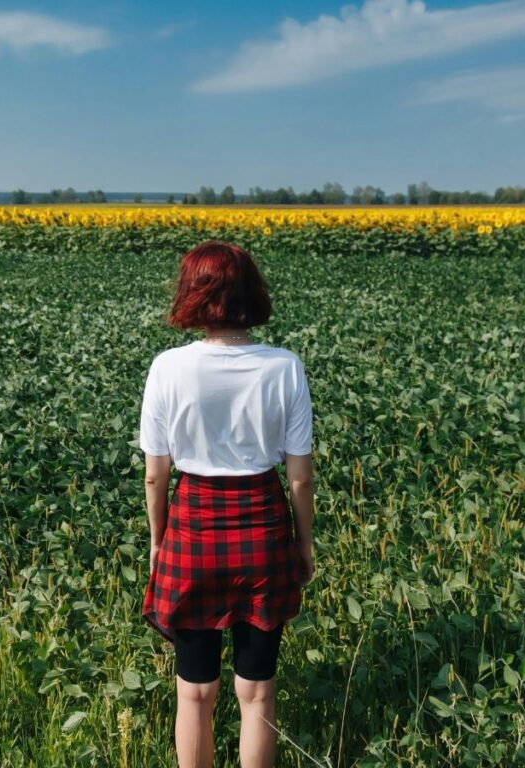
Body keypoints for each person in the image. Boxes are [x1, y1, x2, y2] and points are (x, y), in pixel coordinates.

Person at [139, 240, 315, 768]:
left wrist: (157, 543)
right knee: (257, 692)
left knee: (195, 692)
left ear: (192, 294)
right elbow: (300, 479)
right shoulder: (285, 367)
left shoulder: (168, 367)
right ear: (251, 294)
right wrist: (302, 544)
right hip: (263, 530)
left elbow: (155, 474)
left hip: (192, 531)